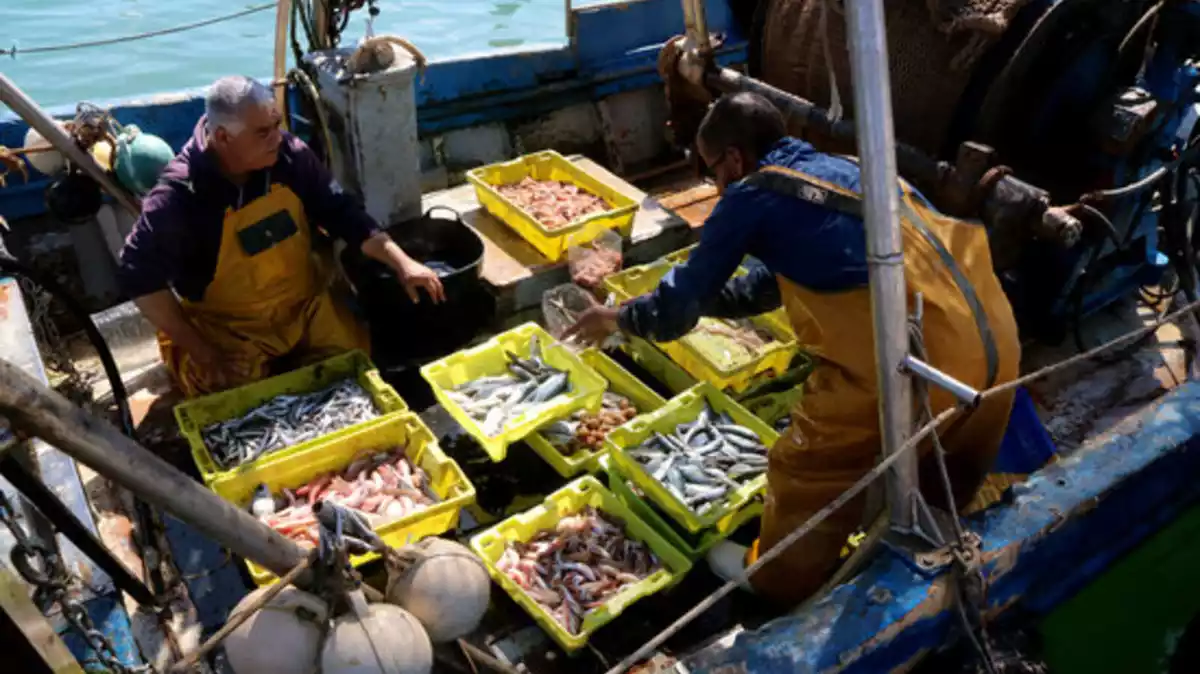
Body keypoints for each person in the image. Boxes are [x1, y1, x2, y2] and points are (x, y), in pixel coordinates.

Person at [566, 92, 1021, 606]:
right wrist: (708, 300)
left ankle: (776, 580)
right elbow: (766, 286)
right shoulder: (841, 167)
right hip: (995, 332)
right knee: (951, 468)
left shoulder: (750, 194)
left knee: (806, 466)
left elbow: (676, 309)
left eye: (708, 168)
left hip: (918, 353)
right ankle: (928, 559)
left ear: (734, 159)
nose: (712, 182)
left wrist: (619, 318)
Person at [118, 75, 445, 398]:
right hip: (232, 329)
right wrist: (203, 351)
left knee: (354, 363)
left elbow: (344, 214)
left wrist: (403, 263)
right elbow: (138, 275)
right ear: (222, 137)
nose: (278, 138)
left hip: (303, 308)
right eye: (263, 132)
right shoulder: (179, 197)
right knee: (230, 392)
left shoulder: (290, 156)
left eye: (277, 124)